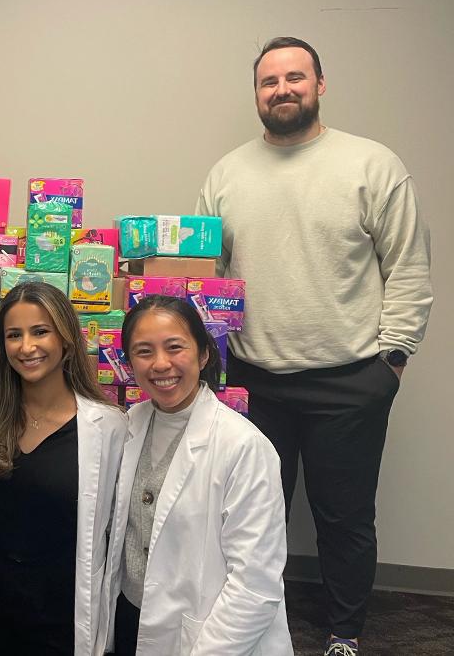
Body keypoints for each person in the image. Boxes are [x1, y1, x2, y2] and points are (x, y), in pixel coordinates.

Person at [194, 36, 433, 655]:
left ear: (320, 84)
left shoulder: (372, 165)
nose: (283, 90)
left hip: (350, 379)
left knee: (344, 519)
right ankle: (253, 629)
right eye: (269, 81)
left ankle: (344, 634)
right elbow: (203, 274)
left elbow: (407, 268)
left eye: (295, 77)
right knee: (249, 517)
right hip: (253, 376)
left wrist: (393, 360)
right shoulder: (226, 174)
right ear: (257, 93)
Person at [104, 295, 291, 655]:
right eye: (144, 352)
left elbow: (255, 583)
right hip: (130, 618)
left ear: (203, 354)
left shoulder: (243, 446)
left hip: (209, 636)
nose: (161, 364)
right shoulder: (129, 425)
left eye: (175, 347)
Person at [0, 282, 125, 655]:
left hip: (58, 619)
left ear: (66, 339)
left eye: (40, 331)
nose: (26, 347)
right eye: (14, 335)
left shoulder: (109, 427)